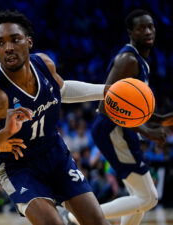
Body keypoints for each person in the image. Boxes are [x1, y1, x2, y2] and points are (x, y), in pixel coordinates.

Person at [0, 10, 110, 225]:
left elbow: (62, 91)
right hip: (19, 166)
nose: (7, 47)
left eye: (15, 39)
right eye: (0, 43)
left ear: (29, 42)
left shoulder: (44, 64)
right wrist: (3, 135)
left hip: (55, 153)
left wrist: (106, 91)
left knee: (97, 222)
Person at [65, 9, 173, 225]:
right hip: (112, 129)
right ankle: (79, 216)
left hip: (120, 129)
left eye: (151, 26)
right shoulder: (128, 60)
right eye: (142, 27)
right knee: (148, 198)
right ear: (130, 32)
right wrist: (147, 131)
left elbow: (138, 111)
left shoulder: (141, 61)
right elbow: (107, 103)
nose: (148, 31)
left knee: (139, 199)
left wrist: (161, 120)